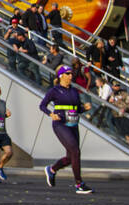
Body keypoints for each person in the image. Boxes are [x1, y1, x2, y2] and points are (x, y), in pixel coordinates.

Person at [39, 66, 94, 194]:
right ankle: (79, 184)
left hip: (73, 124)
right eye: (68, 74)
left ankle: (52, 169)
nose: (71, 76)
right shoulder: (55, 90)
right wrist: (50, 114)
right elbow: (42, 105)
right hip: (60, 124)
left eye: (71, 74)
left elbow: (76, 108)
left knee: (71, 157)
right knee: (76, 151)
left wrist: (84, 108)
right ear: (61, 76)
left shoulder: (74, 91)